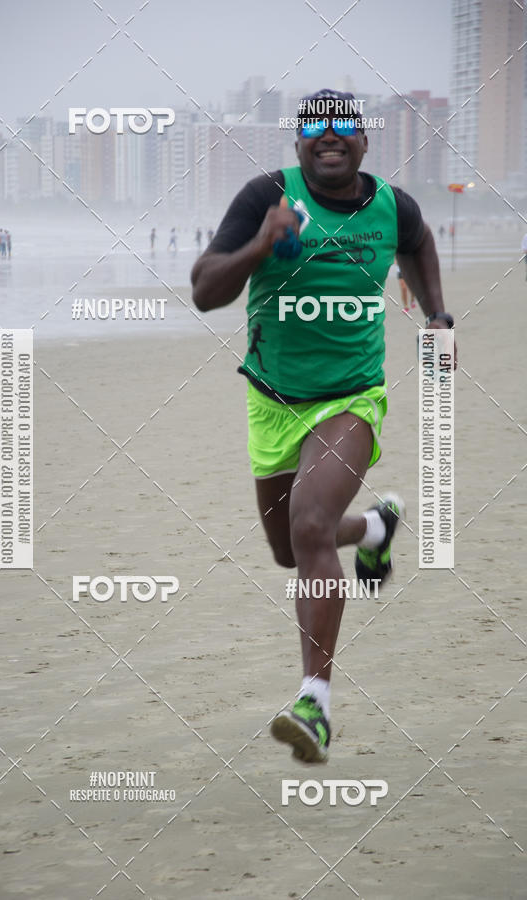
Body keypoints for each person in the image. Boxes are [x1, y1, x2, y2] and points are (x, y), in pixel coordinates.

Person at [191, 88, 457, 763]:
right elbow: (204, 291)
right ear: (300, 143)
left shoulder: (393, 207)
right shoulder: (266, 197)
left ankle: (315, 703)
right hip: (273, 398)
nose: (330, 134)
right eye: (315, 127)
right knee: (289, 546)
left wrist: (438, 318)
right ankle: (373, 528)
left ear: (365, 141)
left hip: (351, 398)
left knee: (307, 525)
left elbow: (419, 245)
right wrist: (262, 244)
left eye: (345, 126)